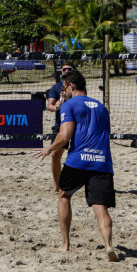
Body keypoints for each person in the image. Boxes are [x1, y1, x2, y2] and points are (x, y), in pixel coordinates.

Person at [34, 68, 118, 262]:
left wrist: (49, 149)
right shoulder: (102, 107)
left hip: (78, 160)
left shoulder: (69, 104)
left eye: (65, 87)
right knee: (100, 207)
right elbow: (106, 136)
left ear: (71, 85)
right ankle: (108, 245)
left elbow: (65, 136)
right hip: (102, 161)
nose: (64, 90)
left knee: (64, 196)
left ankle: (65, 244)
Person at [46, 63, 75, 191]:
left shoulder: (77, 87)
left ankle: (77, 182)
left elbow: (80, 102)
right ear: (61, 72)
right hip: (60, 124)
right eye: (65, 69)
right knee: (55, 155)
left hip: (76, 124)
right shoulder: (56, 87)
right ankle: (57, 185)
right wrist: (57, 107)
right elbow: (49, 106)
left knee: (76, 155)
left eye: (69, 69)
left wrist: (67, 100)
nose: (67, 71)